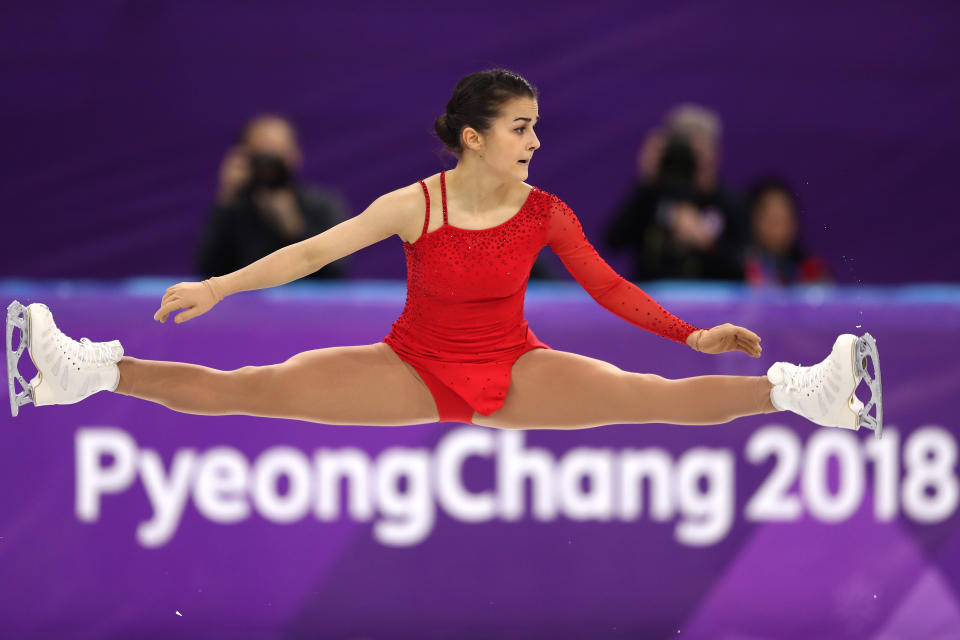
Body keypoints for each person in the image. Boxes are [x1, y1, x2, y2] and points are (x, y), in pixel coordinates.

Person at [6, 70, 880, 438]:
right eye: (522, 127)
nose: (537, 140)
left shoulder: (548, 213)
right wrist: (220, 285)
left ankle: (813, 394)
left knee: (653, 399)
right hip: (411, 366)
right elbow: (312, 250)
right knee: (249, 391)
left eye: (537, 126)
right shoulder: (414, 204)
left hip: (514, 368)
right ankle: (88, 372)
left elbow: (610, 286)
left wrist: (691, 335)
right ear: (474, 136)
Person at [195, 114, 349, 280]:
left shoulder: (321, 204)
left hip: (304, 303)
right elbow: (207, 268)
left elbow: (336, 271)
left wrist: (294, 227)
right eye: (262, 156)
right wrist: (227, 197)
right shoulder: (235, 206)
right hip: (243, 301)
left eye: (276, 157)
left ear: (294, 155)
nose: (269, 168)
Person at [604, 104, 747, 281]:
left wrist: (706, 242)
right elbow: (612, 242)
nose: (694, 161)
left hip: (711, 303)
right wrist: (647, 181)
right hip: (652, 303)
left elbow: (745, 268)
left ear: (715, 154)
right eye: (687, 151)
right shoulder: (652, 196)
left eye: (700, 152)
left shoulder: (730, 202)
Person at [743, 177, 831, 286]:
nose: (780, 227)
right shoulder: (737, 268)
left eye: (786, 218)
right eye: (773, 219)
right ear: (753, 220)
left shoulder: (812, 269)